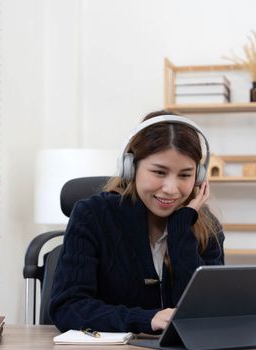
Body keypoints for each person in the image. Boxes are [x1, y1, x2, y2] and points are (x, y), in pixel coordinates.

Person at [49, 110, 225, 334]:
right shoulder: (92, 215)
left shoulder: (205, 226)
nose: (171, 189)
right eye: (159, 172)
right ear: (130, 168)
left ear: (199, 177)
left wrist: (181, 231)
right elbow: (68, 307)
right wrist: (146, 319)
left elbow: (205, 314)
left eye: (185, 175)